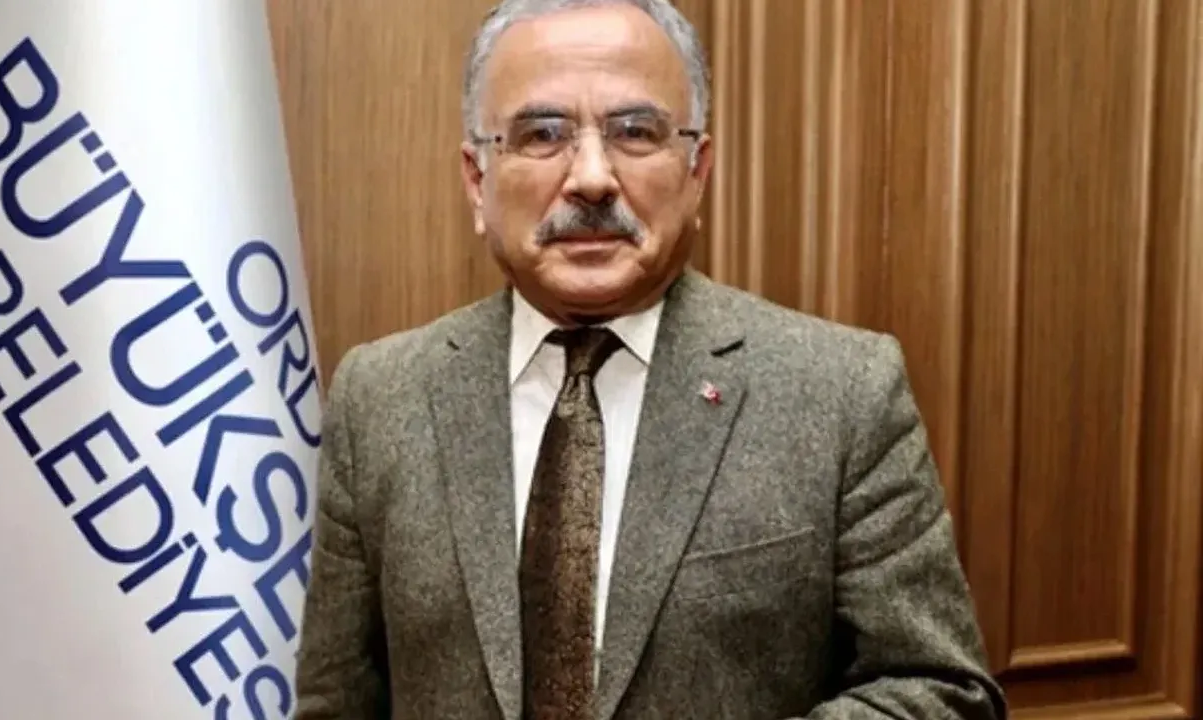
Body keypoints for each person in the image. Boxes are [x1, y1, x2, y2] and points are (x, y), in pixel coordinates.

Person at [293, 0, 1007, 718]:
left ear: (697, 172)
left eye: (635, 132)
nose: (592, 178)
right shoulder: (377, 398)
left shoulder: (845, 394)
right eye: (543, 134)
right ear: (478, 180)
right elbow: (335, 705)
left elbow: (944, 692)